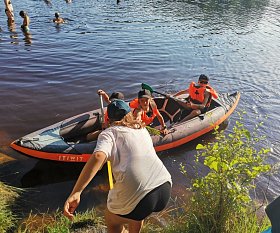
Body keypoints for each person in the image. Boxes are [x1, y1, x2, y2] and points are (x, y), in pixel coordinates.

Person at [64, 99, 172, 233]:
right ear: (129, 114)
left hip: (141, 195)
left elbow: (98, 156)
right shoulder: (142, 129)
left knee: (111, 218)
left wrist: (76, 192)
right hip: (164, 186)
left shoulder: (109, 133)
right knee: (137, 211)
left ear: (108, 119)